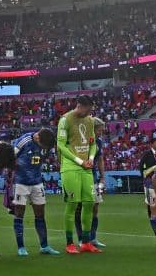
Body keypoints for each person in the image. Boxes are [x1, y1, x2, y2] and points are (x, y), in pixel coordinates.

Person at [57, 94, 99, 254]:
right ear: (80, 106)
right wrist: (80, 161)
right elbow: (61, 146)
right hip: (70, 167)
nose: (89, 113)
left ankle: (86, 242)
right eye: (88, 109)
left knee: (89, 203)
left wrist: (91, 158)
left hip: (86, 167)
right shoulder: (65, 120)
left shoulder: (90, 120)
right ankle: (69, 243)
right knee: (73, 205)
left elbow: (93, 143)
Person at [9, 128, 60, 256]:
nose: (44, 148)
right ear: (38, 138)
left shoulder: (45, 143)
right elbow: (10, 157)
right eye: (44, 146)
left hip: (37, 182)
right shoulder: (24, 141)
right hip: (21, 182)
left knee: (40, 214)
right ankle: (21, 247)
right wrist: (13, 172)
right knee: (19, 214)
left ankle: (44, 246)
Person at [74, 117, 107, 248]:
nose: (101, 133)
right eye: (99, 130)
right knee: (79, 208)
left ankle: (92, 238)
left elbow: (100, 159)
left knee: (95, 207)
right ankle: (81, 238)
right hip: (80, 177)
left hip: (93, 177)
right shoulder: (81, 141)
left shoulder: (98, 142)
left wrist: (103, 177)